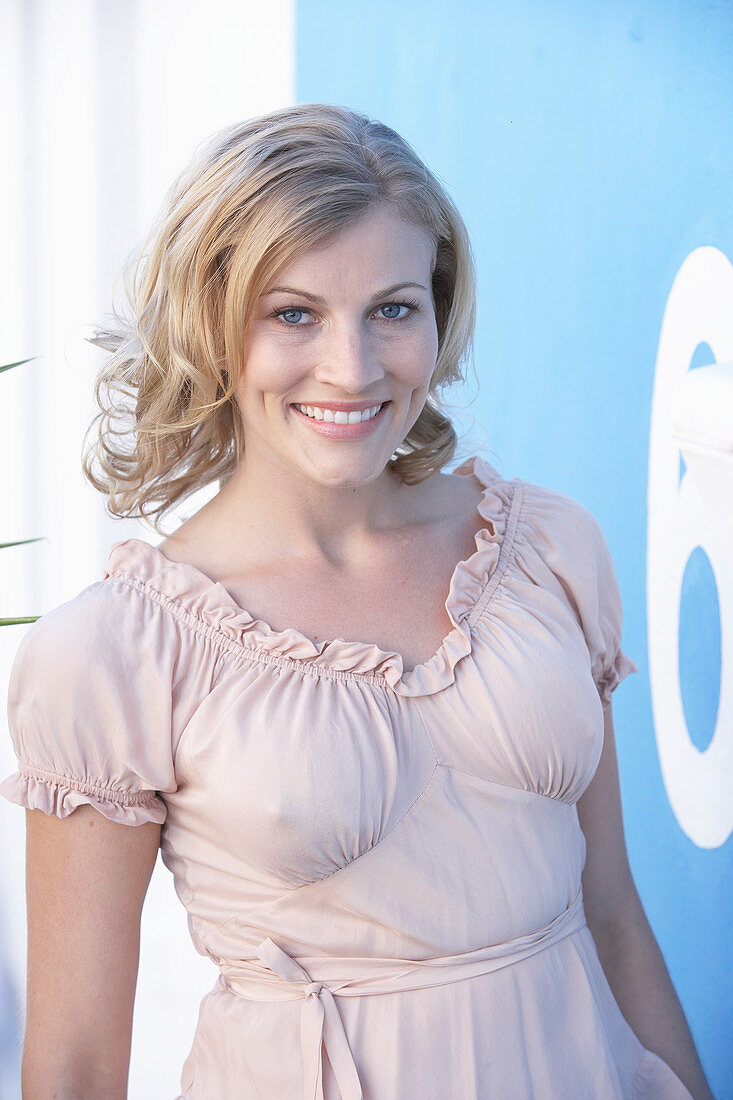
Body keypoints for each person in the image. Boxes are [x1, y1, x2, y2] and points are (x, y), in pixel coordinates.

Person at [0, 103, 713, 1100]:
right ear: (215, 324)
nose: (353, 368)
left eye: (392, 308)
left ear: (438, 310)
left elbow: (615, 913)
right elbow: (74, 1064)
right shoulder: (116, 652)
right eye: (293, 312)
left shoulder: (549, 546)